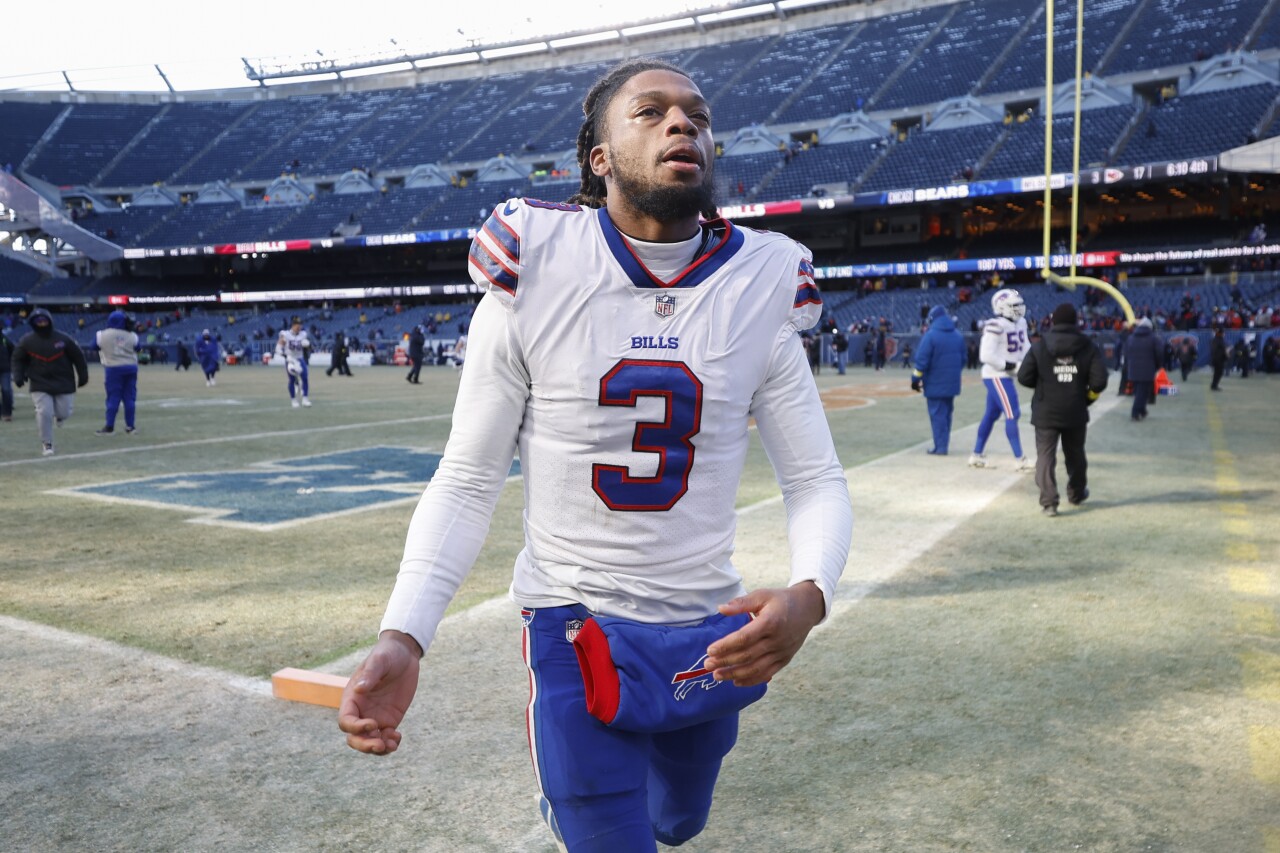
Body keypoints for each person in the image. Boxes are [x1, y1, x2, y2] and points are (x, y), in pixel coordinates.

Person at [338, 58, 853, 853]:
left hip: (705, 625)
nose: (684, 123)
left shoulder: (765, 279)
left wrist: (811, 596)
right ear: (599, 158)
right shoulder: (535, 263)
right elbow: (470, 477)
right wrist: (404, 633)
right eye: (650, 111)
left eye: (697, 113)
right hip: (573, 620)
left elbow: (814, 476)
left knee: (678, 820)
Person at [1017, 303, 1108, 517]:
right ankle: (1076, 493)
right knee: (1075, 455)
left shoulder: (1040, 345)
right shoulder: (1087, 346)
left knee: (1045, 457)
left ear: (1053, 321)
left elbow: (1023, 377)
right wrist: (1087, 398)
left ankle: (1049, 502)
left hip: (1045, 411)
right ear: (1075, 322)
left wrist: (1042, 387)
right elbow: (1099, 381)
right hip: (1075, 410)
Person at [969, 288, 1033, 471]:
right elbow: (986, 355)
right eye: (1014, 306)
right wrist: (1011, 366)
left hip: (1005, 375)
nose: (1018, 309)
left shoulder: (1021, 323)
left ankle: (976, 455)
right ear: (1001, 307)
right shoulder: (994, 325)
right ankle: (1020, 460)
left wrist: (1031, 362)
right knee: (1013, 413)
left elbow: (1025, 346)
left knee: (991, 415)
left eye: (1019, 304)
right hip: (997, 375)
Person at [11, 308, 89, 456]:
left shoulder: (64, 339)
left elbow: (78, 357)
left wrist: (83, 375)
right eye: (38, 321)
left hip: (64, 381)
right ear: (33, 323)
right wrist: (18, 375)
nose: (41, 323)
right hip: (39, 382)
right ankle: (47, 443)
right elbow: (17, 358)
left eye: (44, 320)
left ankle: (59, 417)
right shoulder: (27, 341)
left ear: (50, 321)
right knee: (44, 412)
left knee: (64, 412)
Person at [911, 305, 965, 455]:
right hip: (952, 384)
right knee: (947, 415)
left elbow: (922, 361)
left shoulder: (930, 336)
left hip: (934, 384)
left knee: (937, 416)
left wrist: (915, 379)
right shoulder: (957, 335)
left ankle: (940, 447)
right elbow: (963, 360)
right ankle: (942, 444)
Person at [94, 310, 139, 435]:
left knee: (113, 397)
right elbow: (138, 347)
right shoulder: (132, 335)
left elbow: (94, 346)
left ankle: (109, 426)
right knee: (129, 398)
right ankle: (130, 426)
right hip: (131, 367)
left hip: (113, 368)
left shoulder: (102, 334)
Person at [1125, 317, 1161, 421]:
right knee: (1143, 392)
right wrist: (1158, 365)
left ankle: (1142, 410)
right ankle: (1135, 412)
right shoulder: (1154, 338)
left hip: (1133, 369)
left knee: (1139, 391)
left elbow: (1126, 353)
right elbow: (1159, 353)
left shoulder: (1131, 338)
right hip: (1147, 370)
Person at [277, 317, 312, 407]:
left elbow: (308, 347)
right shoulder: (286, 334)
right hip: (290, 359)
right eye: (297, 324)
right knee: (291, 379)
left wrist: (308, 345)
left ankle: (305, 399)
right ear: (292, 325)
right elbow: (278, 348)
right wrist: (285, 356)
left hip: (300, 358)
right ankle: (293, 400)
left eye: (300, 324)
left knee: (305, 377)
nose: (299, 326)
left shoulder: (303, 334)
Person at [0, 328, 13, 423]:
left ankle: (7, 413)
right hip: (5, 368)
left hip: (5, 369)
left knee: (6, 390)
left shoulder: (4, 339)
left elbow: (13, 349)